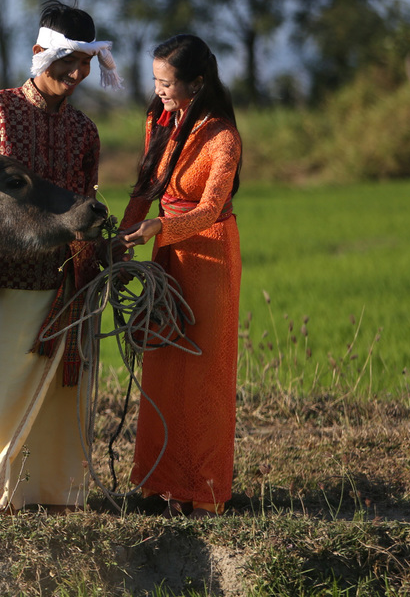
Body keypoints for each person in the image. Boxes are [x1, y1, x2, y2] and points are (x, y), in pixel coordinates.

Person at [0, 0, 122, 513]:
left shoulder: (85, 131)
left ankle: (59, 495)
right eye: (68, 62)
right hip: (17, 274)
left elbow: (86, 201)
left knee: (66, 395)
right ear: (40, 54)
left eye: (85, 64)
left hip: (74, 280)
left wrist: (107, 251)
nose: (78, 74)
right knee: (8, 386)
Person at [119, 33, 243, 518]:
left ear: (197, 82)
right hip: (166, 252)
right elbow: (148, 183)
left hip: (209, 257)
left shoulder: (223, 137)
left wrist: (159, 228)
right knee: (164, 367)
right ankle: (158, 486)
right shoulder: (160, 119)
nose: (159, 90)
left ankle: (205, 492)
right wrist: (125, 234)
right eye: (154, 80)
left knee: (205, 375)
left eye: (167, 82)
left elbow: (212, 209)